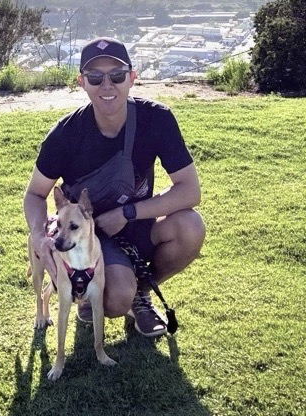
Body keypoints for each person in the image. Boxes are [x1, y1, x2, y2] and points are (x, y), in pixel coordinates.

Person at [23, 37, 205, 337]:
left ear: (132, 78)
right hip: (91, 237)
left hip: (137, 223)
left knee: (191, 227)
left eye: (117, 76)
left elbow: (189, 191)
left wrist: (128, 212)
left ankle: (141, 291)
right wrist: (41, 237)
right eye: (95, 78)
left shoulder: (157, 119)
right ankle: (99, 289)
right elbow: (35, 194)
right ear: (82, 82)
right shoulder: (65, 134)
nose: (107, 86)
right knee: (117, 298)